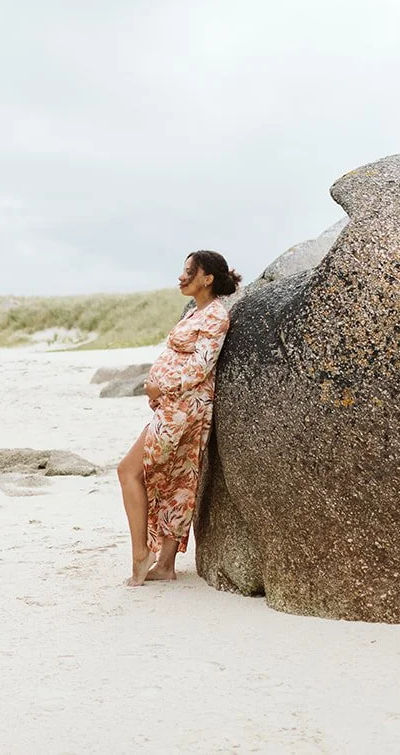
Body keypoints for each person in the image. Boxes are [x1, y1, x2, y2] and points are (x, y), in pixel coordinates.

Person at [118, 250, 239, 587]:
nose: (181, 277)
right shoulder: (195, 314)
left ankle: (141, 554)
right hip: (176, 406)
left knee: (129, 470)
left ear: (207, 279)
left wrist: (161, 387)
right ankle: (166, 564)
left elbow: (202, 366)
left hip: (185, 408)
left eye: (189, 271)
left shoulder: (215, 316)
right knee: (178, 480)